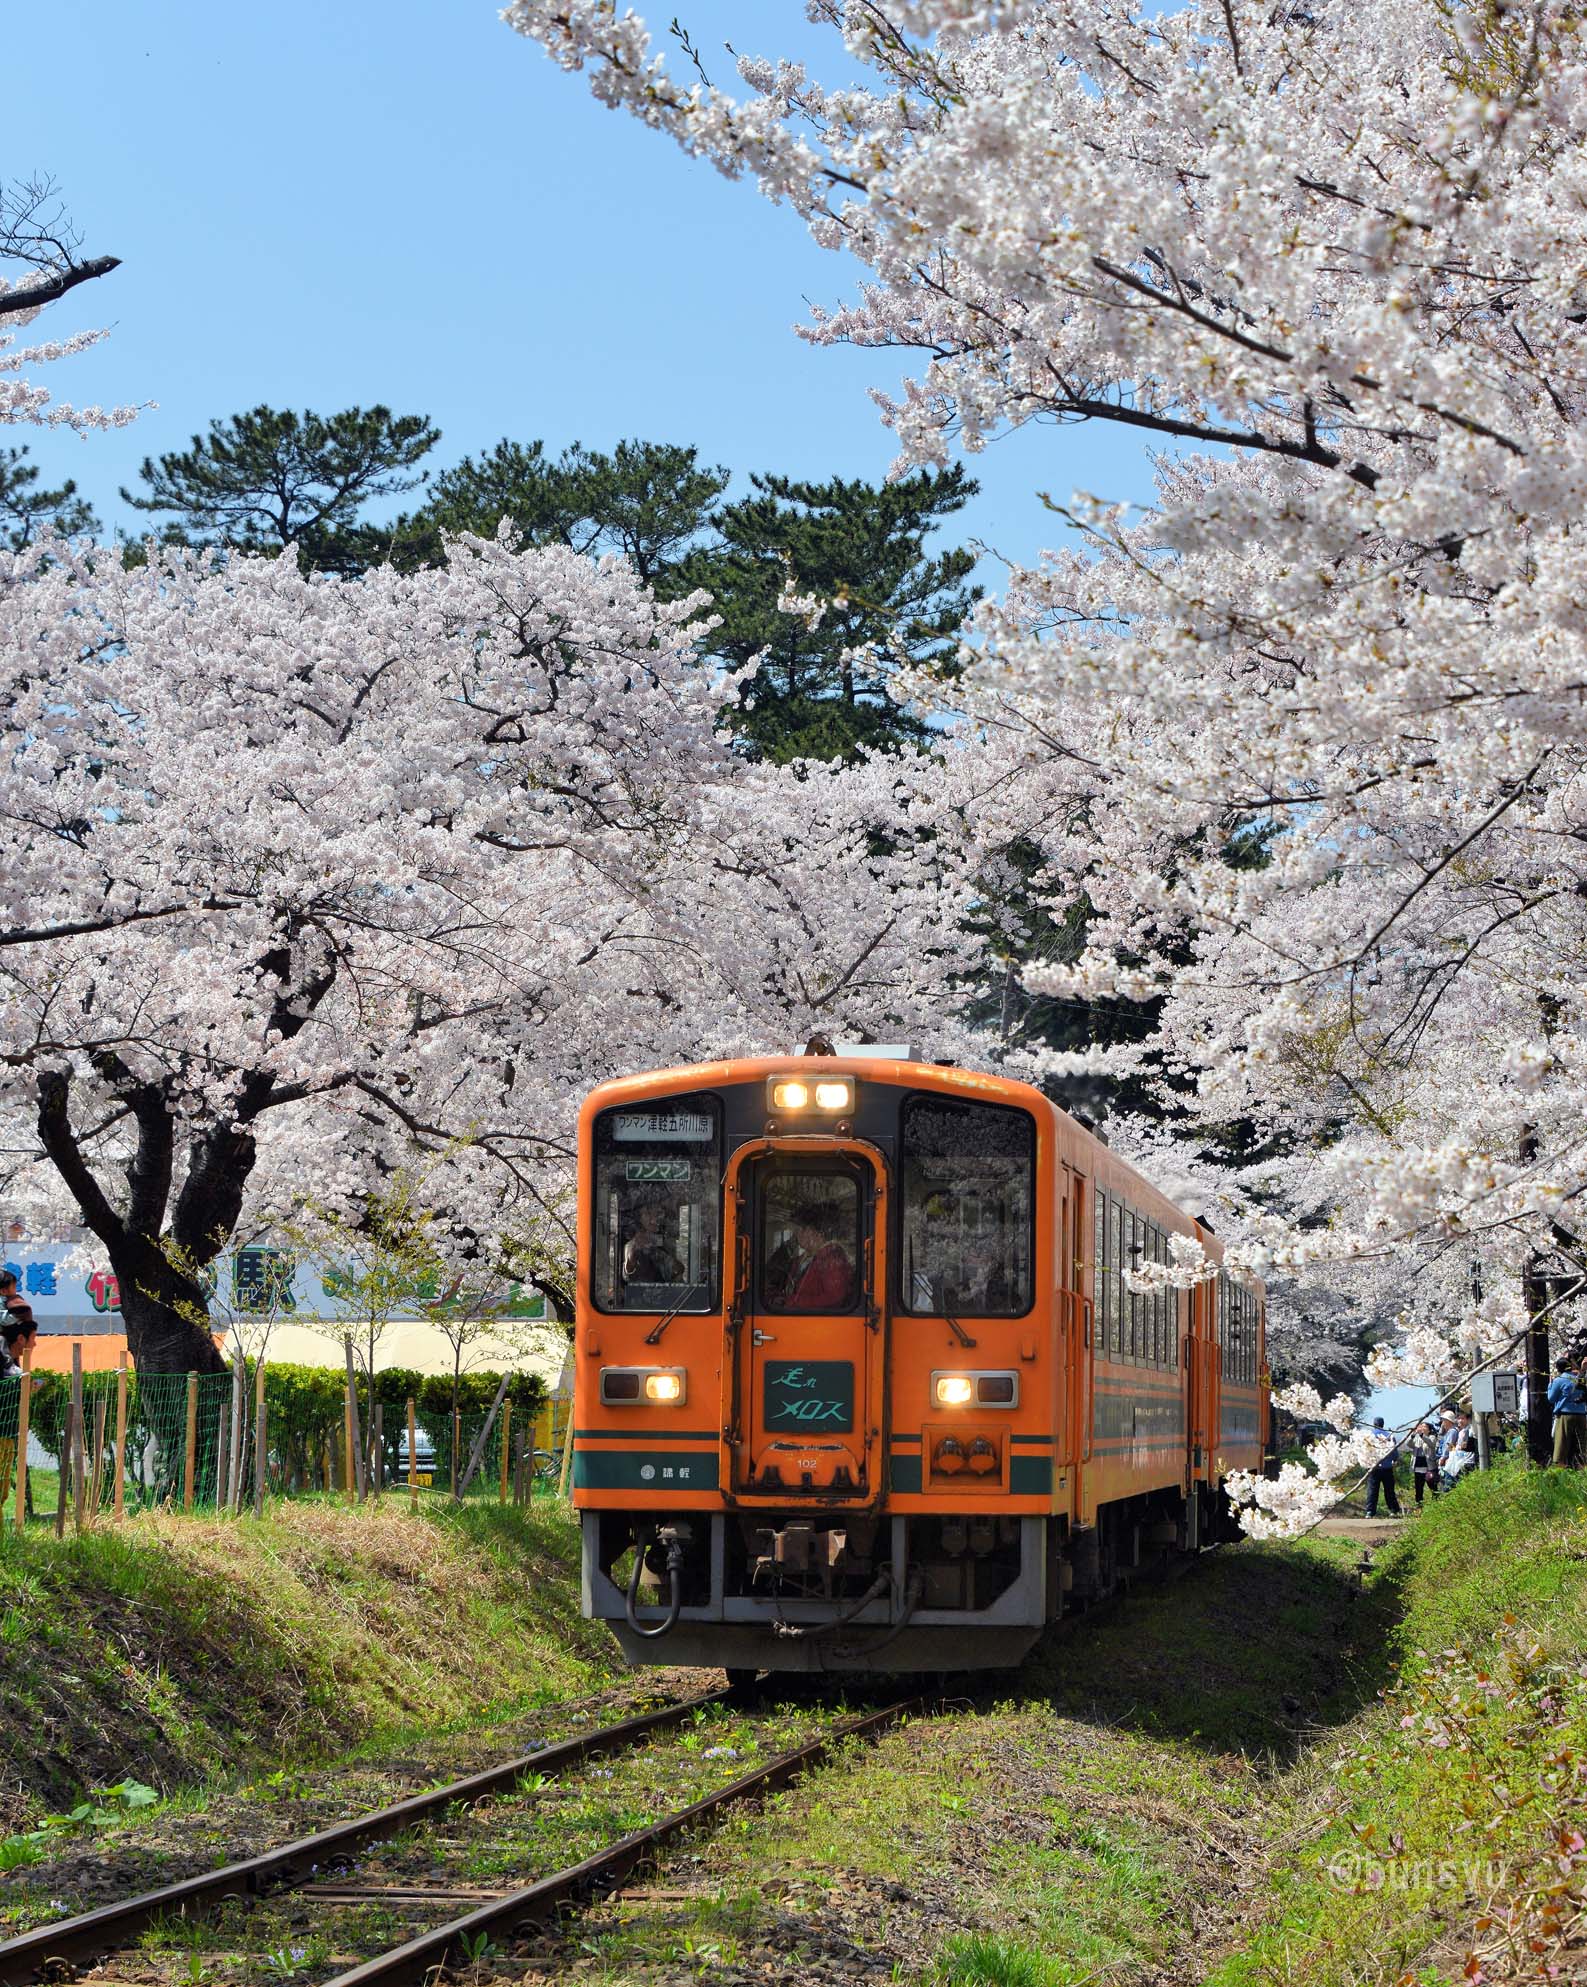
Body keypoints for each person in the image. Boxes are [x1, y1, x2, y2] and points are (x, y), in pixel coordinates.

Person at [782, 1203, 856, 1311]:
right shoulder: (805, 1258)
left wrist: (795, 1301)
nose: (796, 1237)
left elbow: (835, 1298)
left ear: (810, 1231)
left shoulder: (831, 1258)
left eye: (797, 1231)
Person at [622, 1201, 683, 1286]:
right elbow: (628, 1275)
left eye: (658, 1213)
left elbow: (678, 1270)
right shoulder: (632, 1245)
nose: (654, 1218)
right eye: (648, 1213)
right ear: (639, 1219)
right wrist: (633, 1253)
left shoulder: (663, 1244)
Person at [1548, 1356, 1587, 1468]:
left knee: (1561, 1443)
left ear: (1559, 1368)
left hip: (1565, 1414)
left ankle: (1560, 1469)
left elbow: (1551, 1398)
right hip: (1581, 1414)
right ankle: (1582, 1467)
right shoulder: (1580, 1379)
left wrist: (1550, 1384)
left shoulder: (1559, 1380)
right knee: (1582, 1444)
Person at [1364, 1417, 1402, 1518]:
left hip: (1373, 1467)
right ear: (1383, 1424)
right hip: (1387, 1467)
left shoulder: (1369, 1435)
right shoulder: (1389, 1435)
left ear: (1374, 1424)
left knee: (1372, 1489)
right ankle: (1393, 1510)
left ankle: (1370, 1512)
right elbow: (1394, 1452)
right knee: (1389, 1490)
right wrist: (1394, 1460)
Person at [1441, 1411, 1478, 1488]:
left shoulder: (1468, 1430)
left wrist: (1449, 1453)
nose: (1460, 1421)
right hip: (1460, 1460)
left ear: (1468, 1419)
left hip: (1466, 1461)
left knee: (1453, 1485)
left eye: (1462, 1418)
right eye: (1459, 1418)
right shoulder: (1461, 1431)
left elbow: (1464, 1446)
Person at [1409, 1421, 1438, 1505]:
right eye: (1421, 1426)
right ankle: (1419, 1506)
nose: (1422, 1428)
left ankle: (1436, 1504)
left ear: (1429, 1430)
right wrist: (1413, 1436)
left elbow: (1431, 1444)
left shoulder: (1432, 1437)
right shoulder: (1417, 1437)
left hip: (1428, 1467)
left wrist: (1422, 1435)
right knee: (1418, 1488)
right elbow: (1409, 1445)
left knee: (1432, 1487)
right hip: (1418, 1467)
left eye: (1424, 1427)